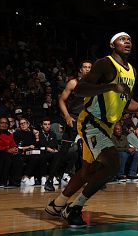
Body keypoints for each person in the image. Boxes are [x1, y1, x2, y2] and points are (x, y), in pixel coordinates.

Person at [45, 32, 138, 228]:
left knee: (89, 171)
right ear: (112, 45)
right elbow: (80, 90)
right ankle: (74, 208)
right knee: (112, 165)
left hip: (107, 126)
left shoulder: (132, 71)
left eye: (130, 39)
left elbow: (126, 101)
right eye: (123, 39)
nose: (127, 42)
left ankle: (57, 204)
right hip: (91, 122)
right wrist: (110, 87)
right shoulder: (104, 64)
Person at [45, 61, 92, 191]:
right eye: (85, 67)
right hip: (74, 119)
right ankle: (49, 180)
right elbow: (61, 100)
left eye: (89, 67)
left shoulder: (94, 85)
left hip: (87, 121)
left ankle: (88, 178)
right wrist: (66, 116)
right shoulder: (73, 83)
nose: (87, 69)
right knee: (63, 151)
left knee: (90, 151)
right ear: (80, 70)